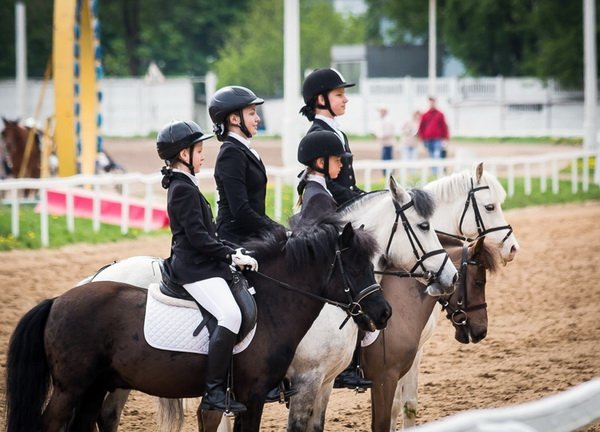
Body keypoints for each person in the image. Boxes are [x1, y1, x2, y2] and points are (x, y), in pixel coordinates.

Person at [157, 120, 259, 413]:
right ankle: (214, 391)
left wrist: (233, 250)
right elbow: (199, 239)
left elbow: (207, 235)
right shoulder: (181, 189)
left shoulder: (187, 184)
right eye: (199, 151)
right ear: (183, 154)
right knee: (229, 314)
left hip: (203, 263)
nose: (203, 156)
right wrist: (229, 256)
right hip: (193, 268)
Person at [209, 85, 279, 245]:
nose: (257, 119)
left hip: (251, 234)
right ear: (234, 119)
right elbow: (241, 211)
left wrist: (279, 228)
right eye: (252, 113)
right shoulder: (231, 154)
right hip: (235, 239)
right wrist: (274, 230)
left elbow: (256, 209)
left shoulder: (243, 150)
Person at [299, 67, 364, 206]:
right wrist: (357, 202)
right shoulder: (317, 134)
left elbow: (348, 183)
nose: (345, 99)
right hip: (333, 210)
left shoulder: (339, 133)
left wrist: (367, 196)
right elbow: (325, 181)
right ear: (322, 99)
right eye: (339, 95)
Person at [296, 130, 348, 220]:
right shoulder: (318, 199)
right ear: (321, 163)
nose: (341, 165)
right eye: (337, 160)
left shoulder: (316, 189)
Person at [418, 96, 449, 175]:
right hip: (428, 139)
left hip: (437, 139)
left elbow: (444, 126)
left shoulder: (440, 114)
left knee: (437, 155)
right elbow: (421, 127)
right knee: (431, 156)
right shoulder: (425, 115)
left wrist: (445, 138)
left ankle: (438, 173)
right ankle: (434, 173)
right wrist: (422, 138)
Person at [374, 106, 396, 174]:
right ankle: (387, 175)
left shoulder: (388, 121)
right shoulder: (383, 120)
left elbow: (388, 133)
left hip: (388, 144)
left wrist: (379, 135)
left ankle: (388, 175)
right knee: (385, 160)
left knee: (387, 161)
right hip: (384, 144)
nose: (379, 113)